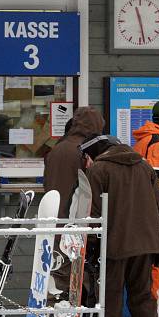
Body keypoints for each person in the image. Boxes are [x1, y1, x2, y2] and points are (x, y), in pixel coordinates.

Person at [80, 134, 159, 317]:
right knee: (143, 299)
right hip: (146, 244)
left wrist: (91, 246)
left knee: (110, 299)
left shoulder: (98, 170)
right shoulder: (144, 166)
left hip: (113, 245)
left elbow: (94, 213)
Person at [43, 107, 105, 295]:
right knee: (78, 284)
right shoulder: (85, 150)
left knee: (54, 277)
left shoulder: (58, 148)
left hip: (52, 222)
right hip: (74, 226)